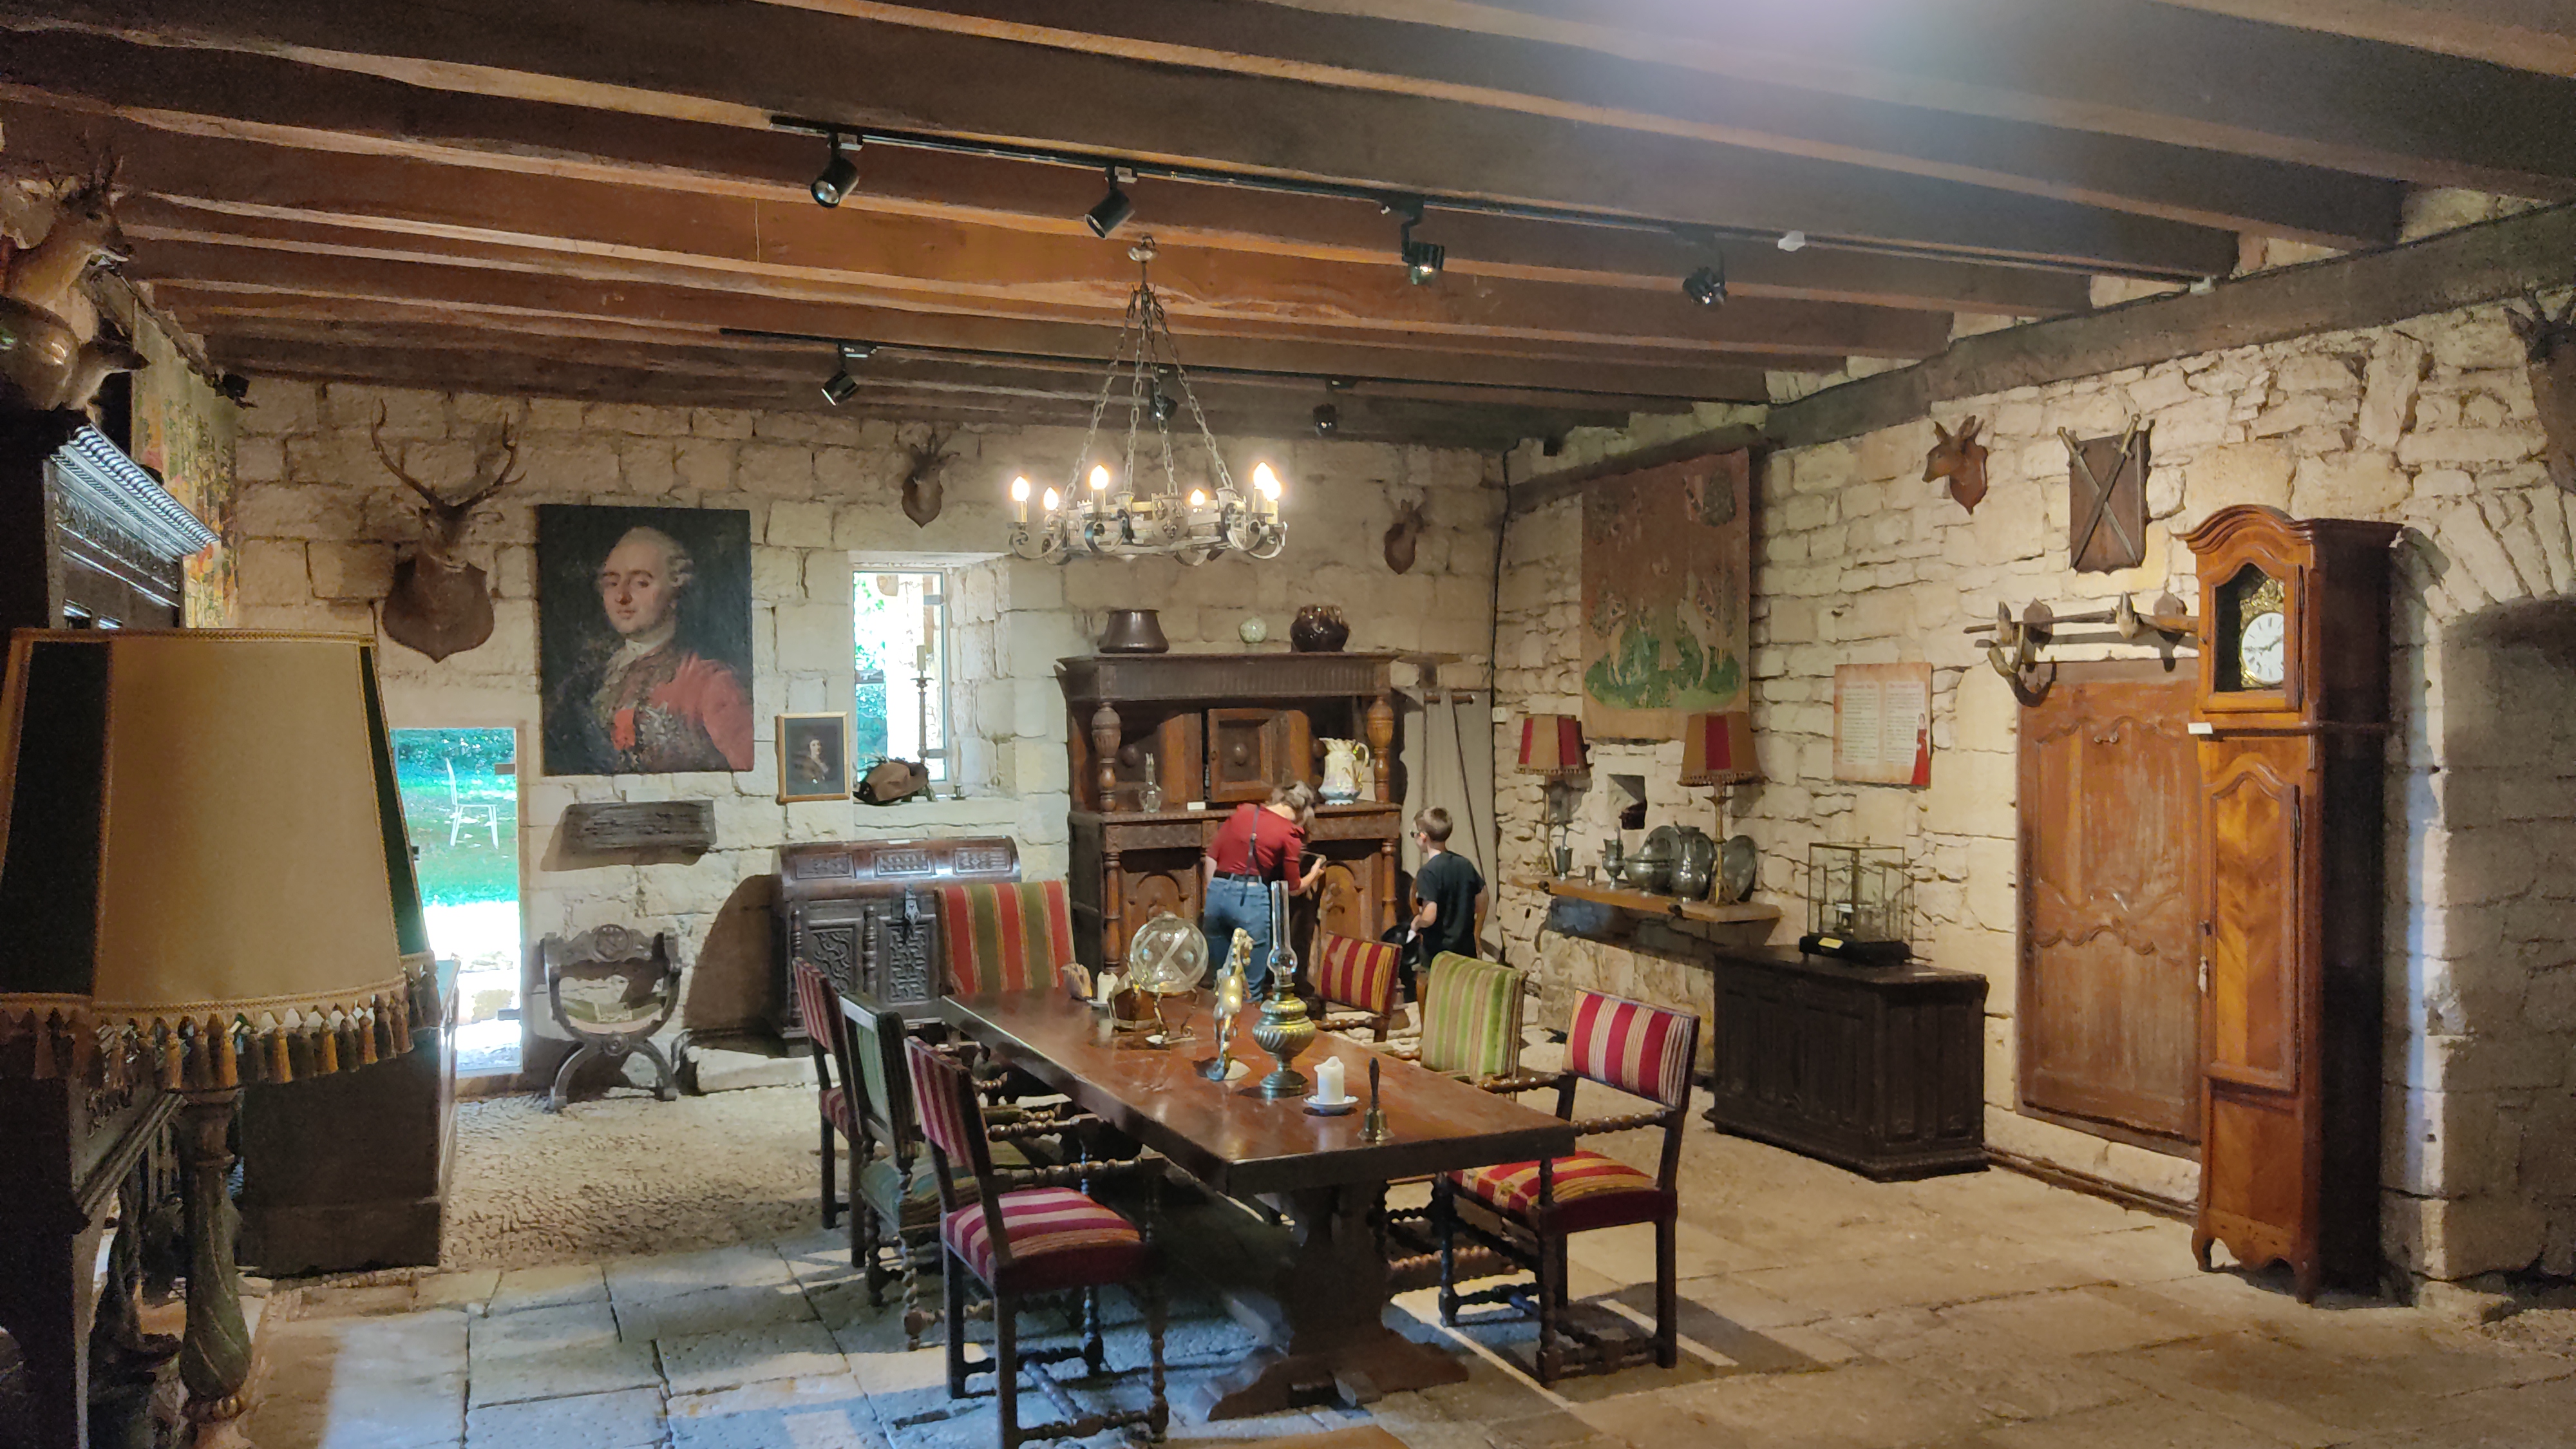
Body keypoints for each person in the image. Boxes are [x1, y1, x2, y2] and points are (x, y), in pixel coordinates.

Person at [559, 526, 754, 773]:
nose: (621, 597)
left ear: (676, 593)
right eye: (612, 583)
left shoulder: (710, 683)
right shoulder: (593, 678)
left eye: (641, 583)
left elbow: (754, 770)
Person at [1199, 781, 1321, 994]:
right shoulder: (1289, 833)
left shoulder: (1243, 812)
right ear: (1304, 812)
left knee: (1218, 982)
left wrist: (1215, 892)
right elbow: (1294, 888)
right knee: (1250, 988)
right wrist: (1314, 873)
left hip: (1217, 895)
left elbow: (1211, 856)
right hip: (1251, 900)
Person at [1406, 807, 1487, 996]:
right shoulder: (1465, 864)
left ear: (1423, 837)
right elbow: (1482, 899)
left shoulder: (1428, 872)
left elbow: (1430, 916)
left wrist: (1417, 922)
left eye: (1413, 834)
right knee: (1463, 995)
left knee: (1437, 994)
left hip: (1439, 954)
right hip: (1465, 949)